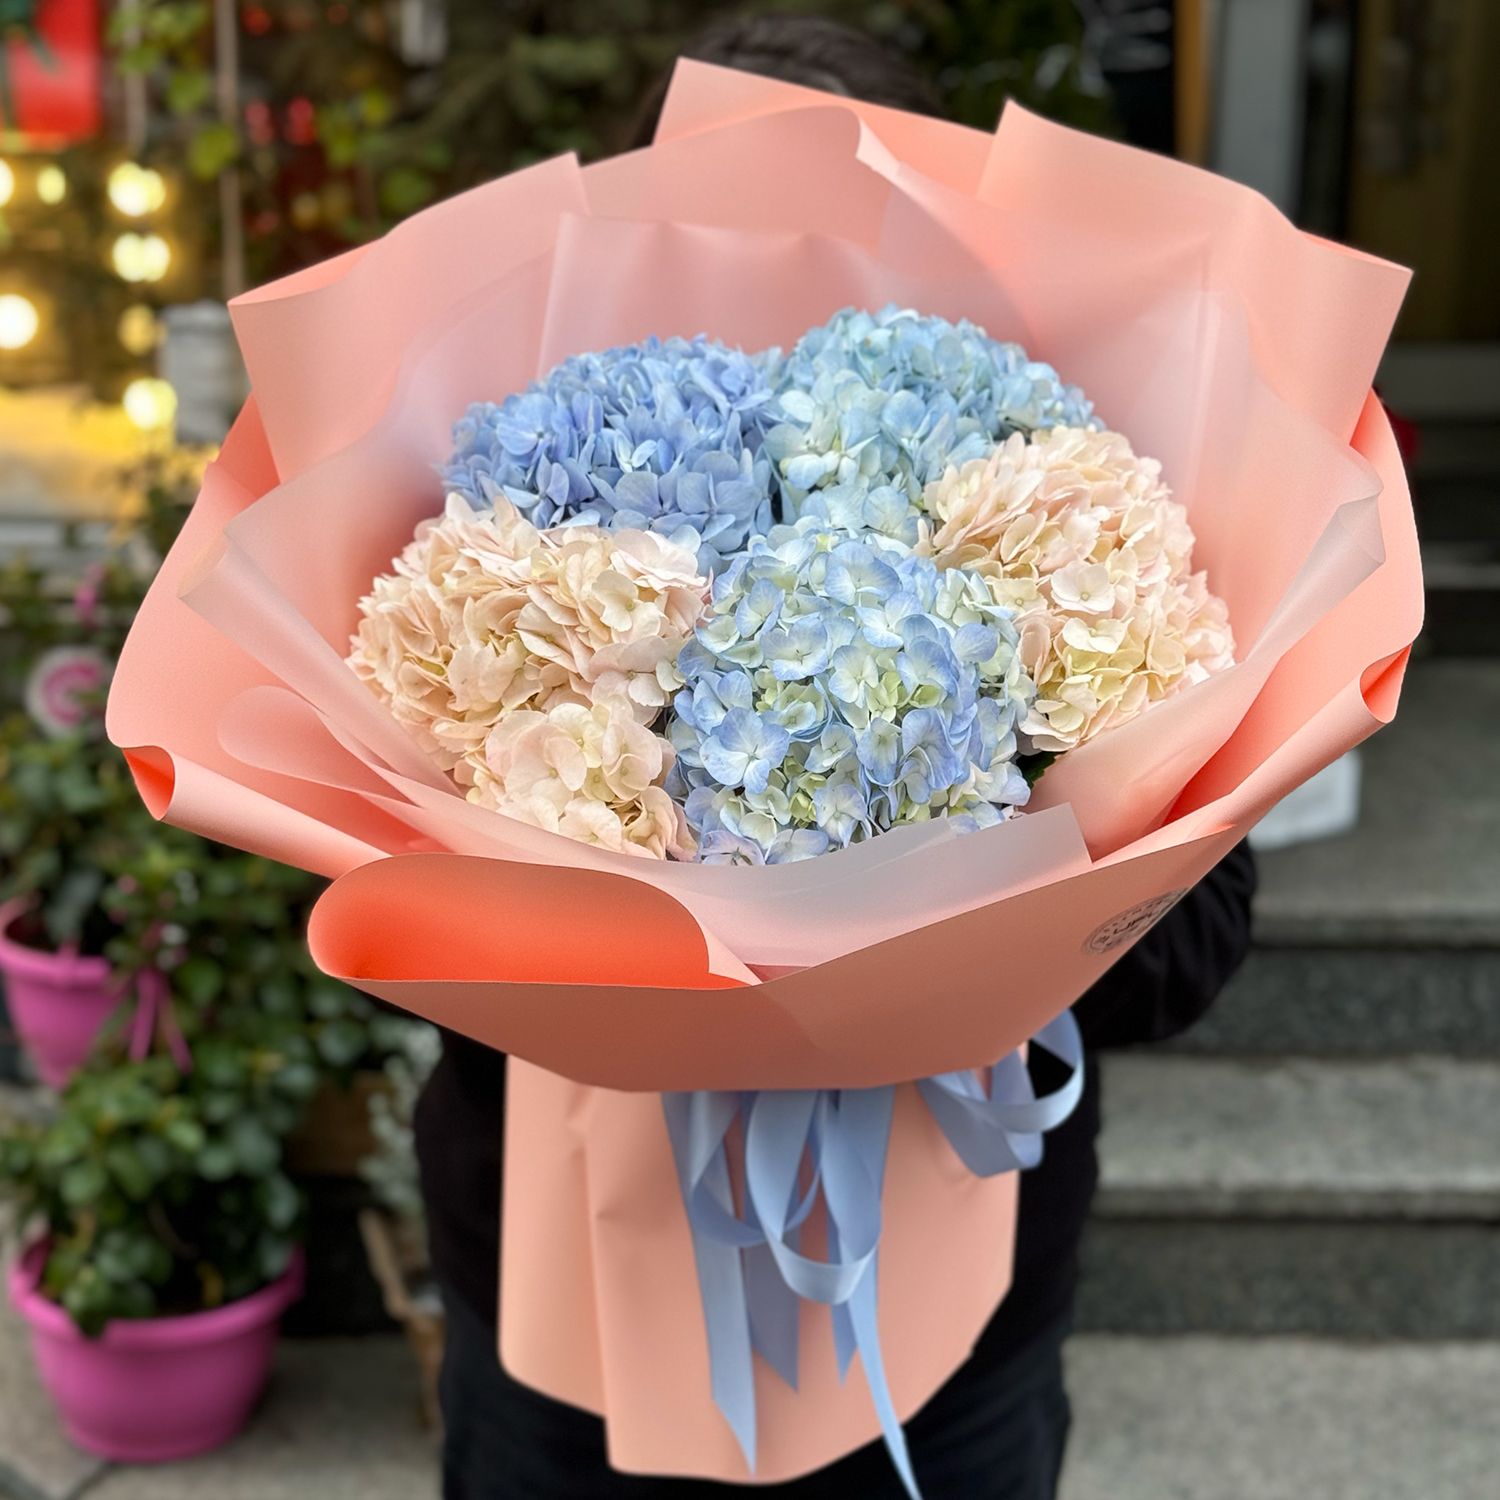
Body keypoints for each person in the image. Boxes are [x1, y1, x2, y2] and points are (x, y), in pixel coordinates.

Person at [418, 16, 1258, 1499]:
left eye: (828, 225)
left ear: (923, 252)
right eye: (722, 225)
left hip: (956, 1346)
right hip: (563, 1316)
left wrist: (970, 880)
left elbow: (1190, 947)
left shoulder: (1052, 489)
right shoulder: (507, 511)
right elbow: (379, 902)